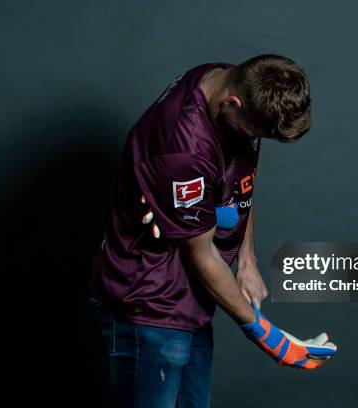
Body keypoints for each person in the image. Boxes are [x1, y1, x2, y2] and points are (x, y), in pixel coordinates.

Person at [88, 54, 337, 408]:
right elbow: (200, 252)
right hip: (149, 306)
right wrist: (271, 339)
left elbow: (238, 184)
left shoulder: (230, 80)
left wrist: (247, 261)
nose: (251, 140)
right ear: (232, 103)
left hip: (192, 298)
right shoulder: (184, 149)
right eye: (251, 132)